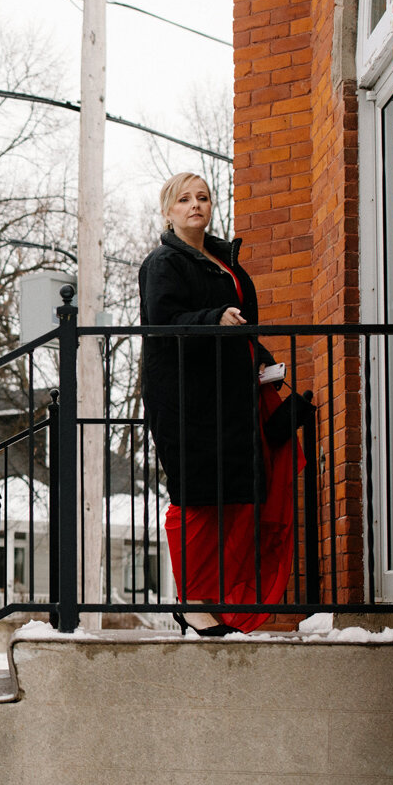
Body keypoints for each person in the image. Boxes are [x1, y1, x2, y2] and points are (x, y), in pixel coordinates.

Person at [139, 173, 299, 635]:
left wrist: (265, 365)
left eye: (203, 198)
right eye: (184, 200)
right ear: (168, 210)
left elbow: (241, 325)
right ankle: (191, 602)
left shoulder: (221, 260)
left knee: (236, 497)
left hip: (233, 396)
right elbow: (163, 324)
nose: (195, 206)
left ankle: (223, 601)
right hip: (189, 400)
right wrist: (214, 318)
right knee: (196, 498)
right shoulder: (164, 262)